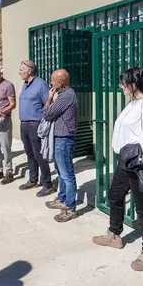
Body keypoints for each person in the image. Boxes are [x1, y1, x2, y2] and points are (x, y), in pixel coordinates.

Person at [92, 68, 143, 271]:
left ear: (134, 84)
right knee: (115, 195)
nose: (121, 87)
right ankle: (114, 234)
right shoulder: (133, 104)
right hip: (125, 161)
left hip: (138, 163)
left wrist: (142, 163)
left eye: (124, 83)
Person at [42, 69, 79, 222]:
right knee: (60, 171)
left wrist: (49, 99)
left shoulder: (66, 96)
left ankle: (70, 207)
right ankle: (62, 198)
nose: (51, 84)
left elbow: (47, 113)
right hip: (60, 139)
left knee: (67, 175)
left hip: (64, 139)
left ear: (60, 82)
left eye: (52, 81)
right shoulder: (63, 95)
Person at [17, 60, 55, 197]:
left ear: (30, 71)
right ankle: (33, 180)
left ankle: (47, 184)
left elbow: (49, 104)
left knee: (39, 155)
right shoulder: (25, 85)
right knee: (29, 153)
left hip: (35, 124)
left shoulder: (41, 85)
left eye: (21, 69)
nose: (19, 72)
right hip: (24, 124)